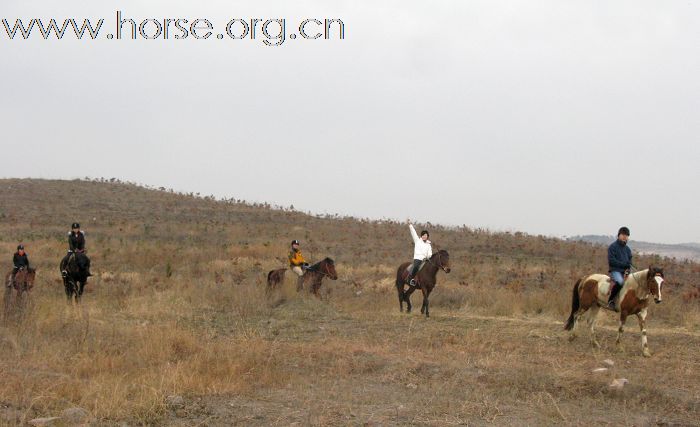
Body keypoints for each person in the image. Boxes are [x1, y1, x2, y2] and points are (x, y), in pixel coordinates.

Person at [608, 226, 632, 309]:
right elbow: (612, 261)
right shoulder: (612, 247)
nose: (625, 237)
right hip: (615, 270)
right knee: (621, 282)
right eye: (623, 235)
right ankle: (611, 300)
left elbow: (629, 263)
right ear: (619, 235)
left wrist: (628, 269)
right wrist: (623, 265)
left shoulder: (628, 250)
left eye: (626, 235)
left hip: (625, 272)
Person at [407, 221, 432, 286]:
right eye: (423, 235)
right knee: (416, 266)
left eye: (426, 235)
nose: (424, 236)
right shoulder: (417, 241)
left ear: (427, 236)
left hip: (425, 259)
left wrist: (428, 256)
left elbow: (430, 253)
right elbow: (413, 233)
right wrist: (410, 225)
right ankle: (411, 279)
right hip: (417, 259)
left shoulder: (429, 245)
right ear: (421, 236)